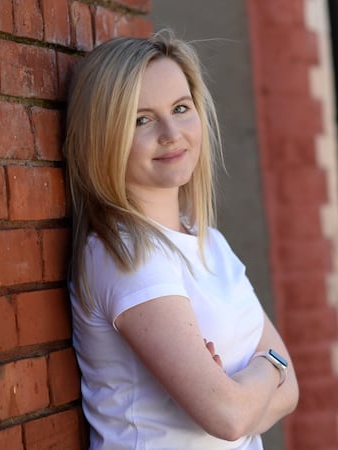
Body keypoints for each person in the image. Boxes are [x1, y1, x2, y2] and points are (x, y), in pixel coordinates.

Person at [63, 31, 299, 449]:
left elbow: (291, 391)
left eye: (180, 108)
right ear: (104, 136)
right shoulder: (127, 253)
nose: (171, 132)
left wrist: (246, 382)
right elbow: (228, 416)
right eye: (142, 119)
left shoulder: (209, 242)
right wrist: (269, 368)